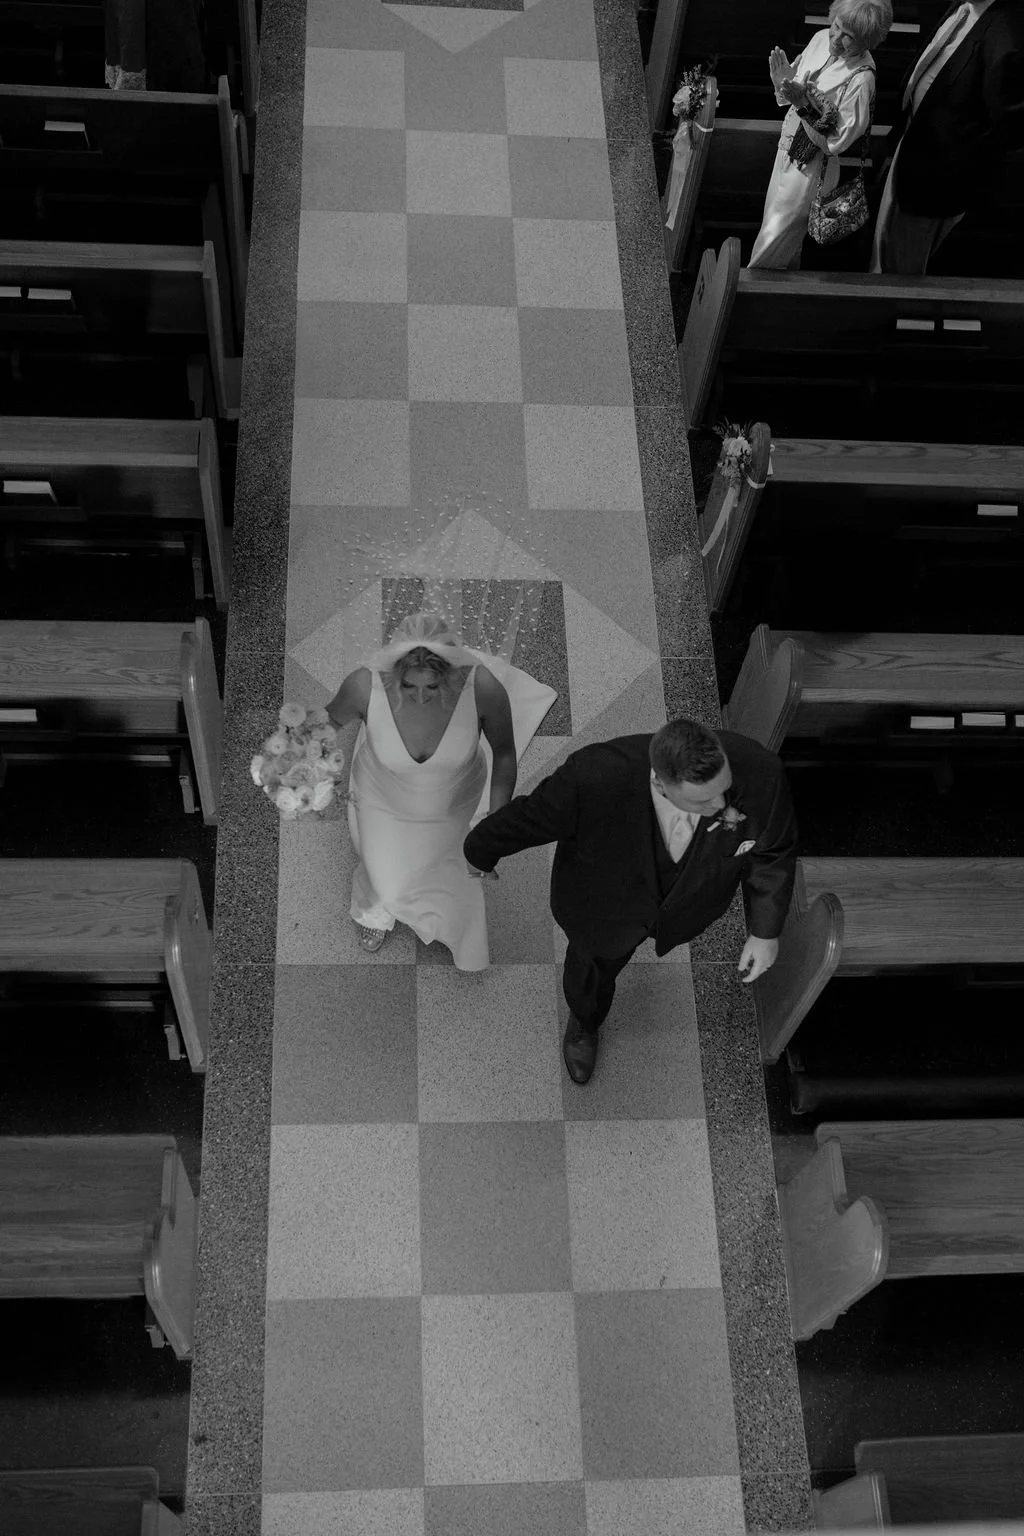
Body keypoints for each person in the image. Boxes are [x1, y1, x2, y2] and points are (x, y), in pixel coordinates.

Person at [464, 719, 798, 1084]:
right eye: (703, 799)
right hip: (603, 906)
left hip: (689, 903)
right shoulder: (594, 776)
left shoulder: (764, 774)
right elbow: (530, 819)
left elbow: (774, 851)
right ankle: (585, 1021)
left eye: (724, 789)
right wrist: (479, 851)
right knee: (590, 970)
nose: (721, 805)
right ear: (659, 783)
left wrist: (765, 932)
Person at [326, 612, 556, 970]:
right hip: (381, 795)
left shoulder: (482, 688)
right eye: (408, 686)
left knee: (446, 866)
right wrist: (298, 757)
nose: (420, 697)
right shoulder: (362, 685)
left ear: (450, 674)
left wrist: (496, 820)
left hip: (453, 798)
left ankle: (450, 925)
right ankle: (375, 911)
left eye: (432, 687)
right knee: (379, 863)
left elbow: (505, 753)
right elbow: (325, 723)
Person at [871, 0, 1024, 275]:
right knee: (883, 250)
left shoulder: (1007, 32)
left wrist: (957, 160)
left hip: (936, 177)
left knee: (903, 273)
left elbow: (1010, 124)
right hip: (909, 150)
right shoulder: (963, 6)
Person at [749, 0, 892, 270]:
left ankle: (740, 298)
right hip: (786, 151)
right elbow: (788, 98)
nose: (836, 39)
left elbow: (835, 143)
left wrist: (802, 104)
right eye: (836, 26)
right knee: (782, 243)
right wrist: (783, 81)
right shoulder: (818, 39)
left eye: (848, 36)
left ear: (868, 40)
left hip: (811, 170)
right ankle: (774, 304)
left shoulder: (861, 80)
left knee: (772, 243)